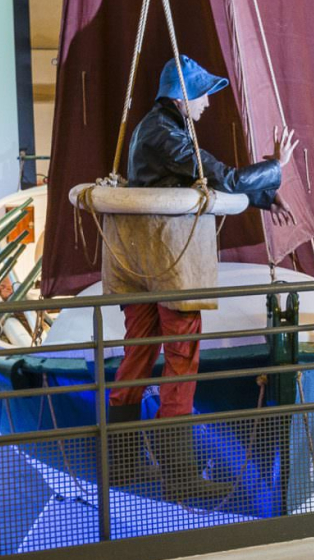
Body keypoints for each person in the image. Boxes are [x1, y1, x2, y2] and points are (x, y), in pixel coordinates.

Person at [105, 54, 297, 501]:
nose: (208, 104)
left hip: (139, 265)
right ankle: (180, 476)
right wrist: (276, 168)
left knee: (137, 357)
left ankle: (124, 465)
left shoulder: (153, 129)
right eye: (204, 95)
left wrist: (265, 198)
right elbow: (225, 179)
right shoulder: (167, 134)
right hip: (170, 264)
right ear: (183, 95)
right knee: (181, 358)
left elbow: (204, 182)